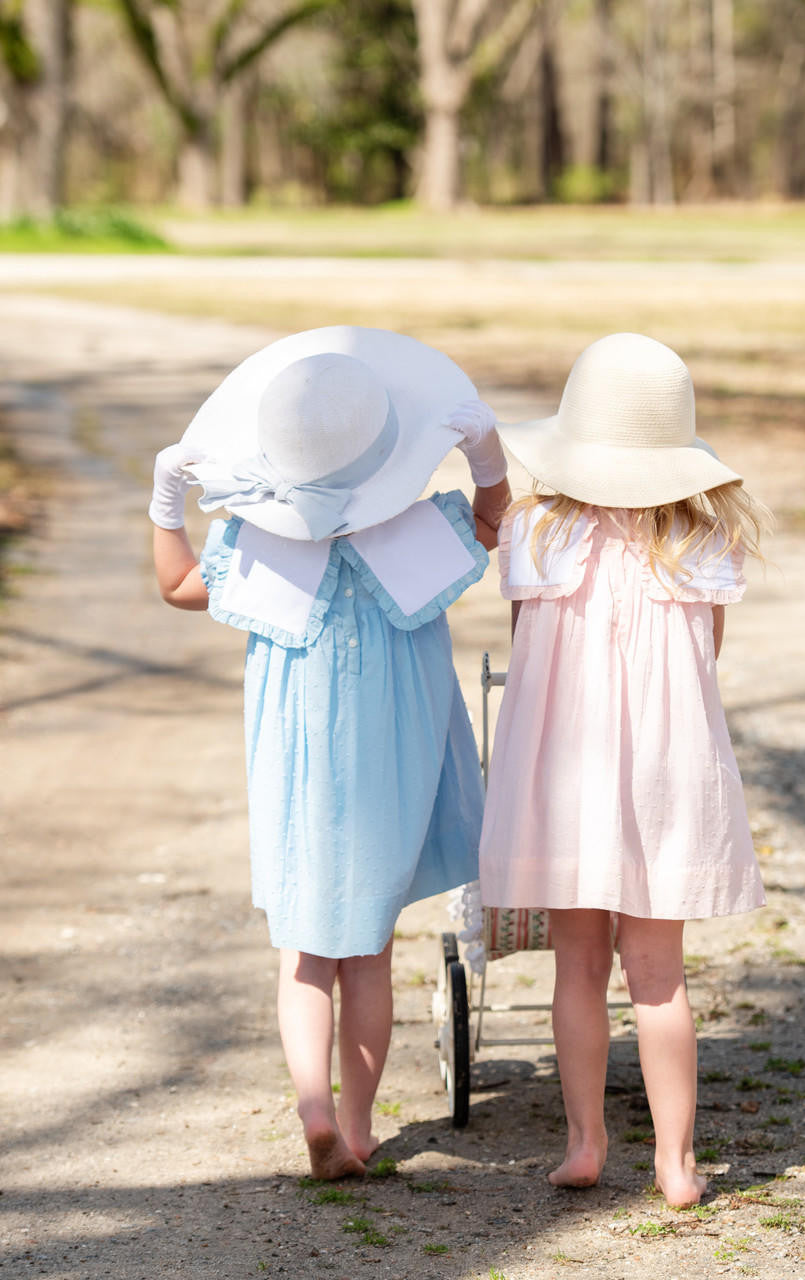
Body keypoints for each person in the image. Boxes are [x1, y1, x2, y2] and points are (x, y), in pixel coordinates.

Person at [148, 326, 509, 1180]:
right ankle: (355, 1124)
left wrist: (167, 504)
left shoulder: (254, 545)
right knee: (370, 951)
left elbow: (174, 585)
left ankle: (312, 1104)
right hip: (391, 765)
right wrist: (485, 457)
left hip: (301, 767)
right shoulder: (421, 533)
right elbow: (496, 523)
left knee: (307, 951)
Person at [478, 332, 769, 1208]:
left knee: (578, 969)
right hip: (665, 780)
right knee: (660, 977)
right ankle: (676, 1163)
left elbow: (529, 638)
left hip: (567, 778)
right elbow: (706, 656)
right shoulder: (702, 541)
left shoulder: (535, 532)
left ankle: (584, 1143)